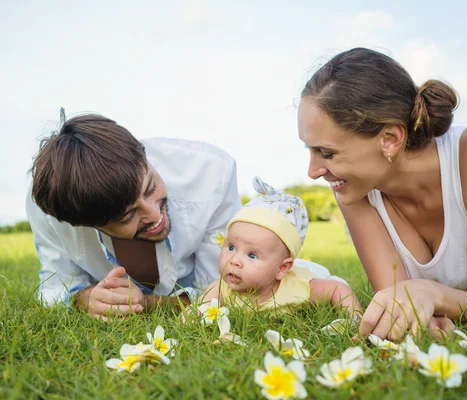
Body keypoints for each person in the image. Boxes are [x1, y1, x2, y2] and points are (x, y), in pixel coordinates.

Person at [297, 47, 467, 341]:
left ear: (390, 139)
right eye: (309, 150)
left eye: (326, 152)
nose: (313, 171)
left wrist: (431, 292)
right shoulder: (352, 188)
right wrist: (427, 314)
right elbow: (402, 303)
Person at [26, 113, 241, 319]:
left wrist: (147, 303)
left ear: (144, 156)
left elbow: (225, 290)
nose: (155, 215)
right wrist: (86, 299)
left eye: (150, 188)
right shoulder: (51, 212)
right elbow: (54, 289)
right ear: (86, 224)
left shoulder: (211, 174)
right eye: (127, 216)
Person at [202, 177, 360, 316]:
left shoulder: (298, 288)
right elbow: (197, 312)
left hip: (309, 271)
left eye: (252, 255)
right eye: (231, 247)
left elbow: (336, 289)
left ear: (282, 269)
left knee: (322, 275)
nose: (234, 261)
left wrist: (354, 318)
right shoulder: (220, 289)